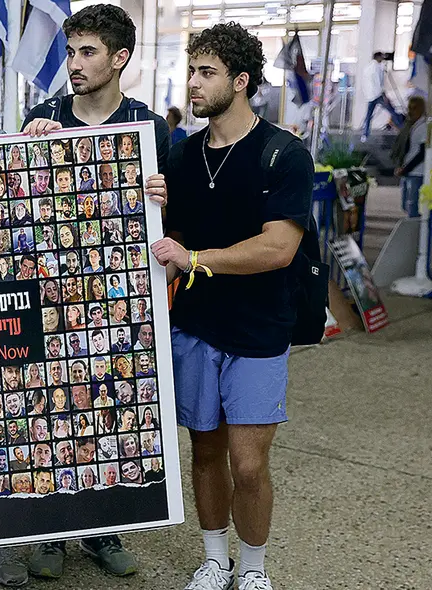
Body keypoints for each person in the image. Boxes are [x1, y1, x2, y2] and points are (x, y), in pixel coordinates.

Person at [154, 22, 314, 590]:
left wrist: (195, 257)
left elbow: (279, 247)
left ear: (241, 81)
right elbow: (165, 242)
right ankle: (215, 558)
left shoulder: (282, 153)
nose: (192, 84)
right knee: (205, 452)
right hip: (195, 325)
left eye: (206, 73)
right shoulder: (182, 155)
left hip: (258, 330)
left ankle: (253, 568)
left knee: (248, 462)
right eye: (190, 71)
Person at [20, 4, 170, 582]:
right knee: (51, 411)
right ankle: (54, 532)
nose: (75, 64)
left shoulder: (148, 126)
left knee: (109, 411)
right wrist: (26, 152)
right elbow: (3, 206)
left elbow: (168, 219)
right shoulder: (43, 115)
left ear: (119, 58)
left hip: (119, 296)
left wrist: (160, 193)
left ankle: (101, 528)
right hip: (50, 292)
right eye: (71, 51)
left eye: (88, 52)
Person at [360, 51, 405, 142]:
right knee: (391, 110)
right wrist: (383, 94)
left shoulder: (368, 67)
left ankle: (365, 134)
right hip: (378, 94)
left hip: (370, 95)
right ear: (378, 57)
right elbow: (378, 82)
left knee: (369, 115)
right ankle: (402, 127)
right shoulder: (376, 68)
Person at [393, 95, 426, 218]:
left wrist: (406, 168)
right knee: (406, 204)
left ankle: (416, 233)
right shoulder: (410, 125)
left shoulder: (423, 127)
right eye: (409, 108)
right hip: (408, 170)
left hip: (416, 172)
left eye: (414, 108)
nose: (410, 111)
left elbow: (421, 154)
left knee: (412, 206)